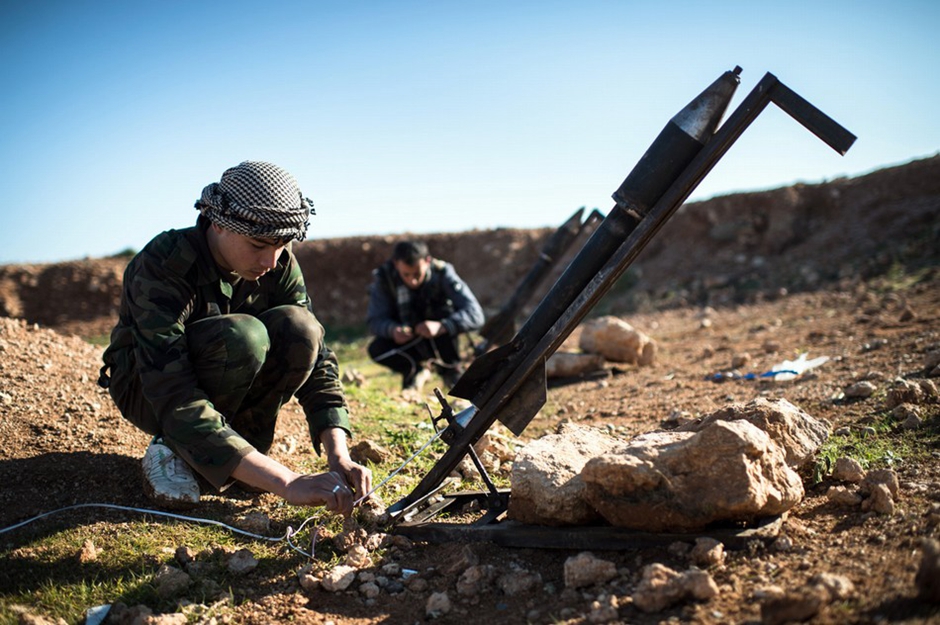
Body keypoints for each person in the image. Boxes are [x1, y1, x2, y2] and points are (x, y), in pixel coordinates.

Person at [98, 161, 371, 514]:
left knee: (300, 326)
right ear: (219, 224)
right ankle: (172, 449)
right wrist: (285, 482)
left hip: (214, 380)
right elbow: (171, 390)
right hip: (147, 388)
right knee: (243, 336)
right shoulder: (164, 265)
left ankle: (238, 457)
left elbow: (317, 360)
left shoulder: (278, 261)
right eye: (258, 245)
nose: (271, 261)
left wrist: (339, 456)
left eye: (281, 244)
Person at [366, 240, 484, 391]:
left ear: (428, 261)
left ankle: (452, 373)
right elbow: (374, 320)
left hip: (441, 340)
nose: (412, 281)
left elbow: (475, 314)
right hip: (407, 343)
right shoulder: (384, 278)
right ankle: (414, 371)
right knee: (377, 348)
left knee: (445, 313)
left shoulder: (443, 273)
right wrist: (392, 330)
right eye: (406, 274)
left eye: (417, 274)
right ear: (396, 264)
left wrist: (442, 326)